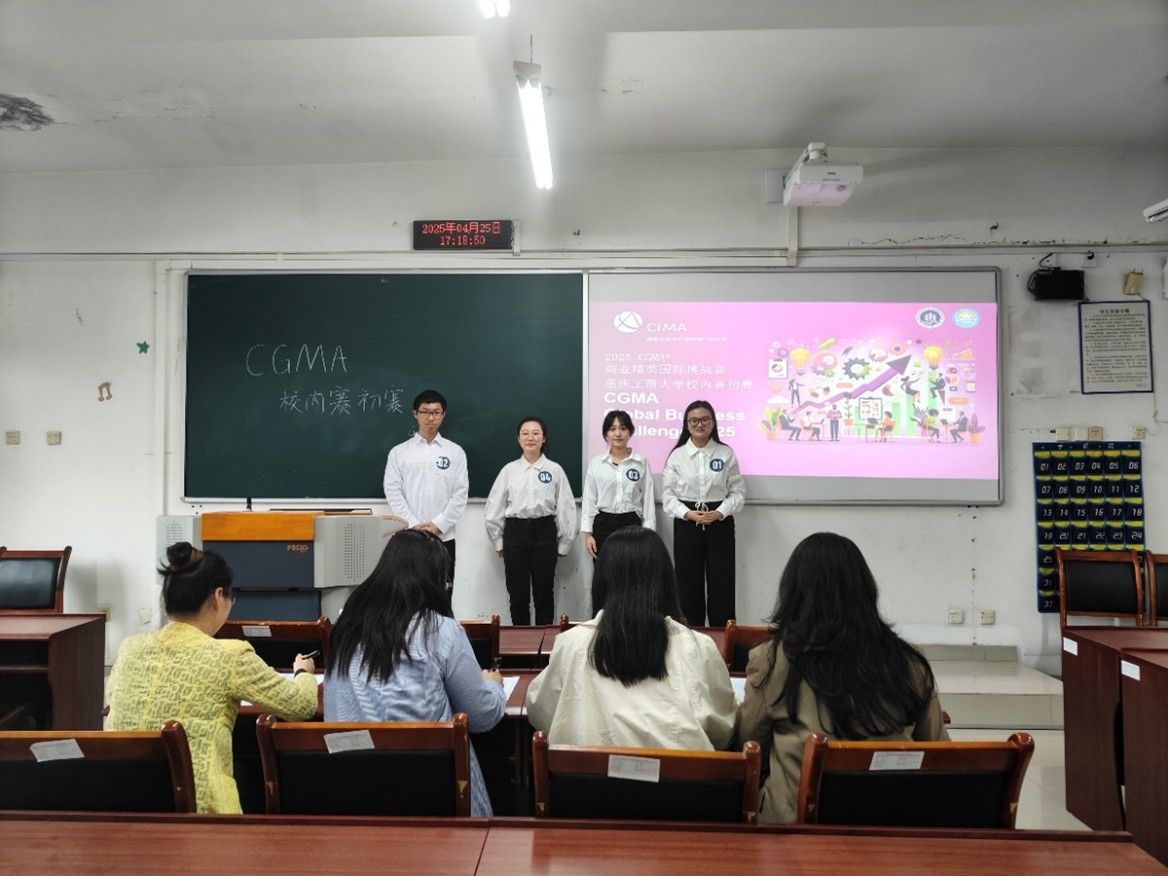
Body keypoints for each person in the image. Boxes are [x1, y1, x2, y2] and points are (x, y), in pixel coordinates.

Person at [736, 532, 948, 824]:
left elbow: (747, 747)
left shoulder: (772, 660)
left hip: (795, 829)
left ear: (793, 592)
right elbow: (939, 752)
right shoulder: (909, 662)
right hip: (892, 827)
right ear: (865, 590)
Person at [106, 543, 318, 814]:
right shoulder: (229, 655)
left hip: (127, 806)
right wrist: (303, 672)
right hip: (203, 813)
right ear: (218, 596)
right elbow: (301, 706)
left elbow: (113, 704)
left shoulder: (130, 648)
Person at [324, 529, 506, 817]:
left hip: (351, 789)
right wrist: (494, 686)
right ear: (433, 581)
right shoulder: (441, 631)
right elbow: (481, 715)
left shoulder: (345, 626)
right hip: (428, 791)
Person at [526, 528, 736, 749]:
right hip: (677, 772)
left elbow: (540, 711)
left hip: (585, 772)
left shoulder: (571, 644)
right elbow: (723, 730)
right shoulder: (697, 647)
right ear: (666, 581)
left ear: (601, 581)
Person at [484, 417, 577, 625]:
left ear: (544, 438)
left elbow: (566, 507)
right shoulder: (509, 470)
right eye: (525, 433)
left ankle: (544, 645)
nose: (530, 438)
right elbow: (494, 507)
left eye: (536, 433)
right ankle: (519, 646)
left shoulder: (555, 469)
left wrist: (565, 542)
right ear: (518, 439)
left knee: (544, 594)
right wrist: (498, 540)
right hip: (515, 533)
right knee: (518, 595)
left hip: (545, 531)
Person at [661, 400, 745, 627]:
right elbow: (668, 497)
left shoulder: (725, 453)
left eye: (705, 420)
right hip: (687, 524)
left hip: (720, 524)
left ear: (713, 423)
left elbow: (738, 494)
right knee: (687, 585)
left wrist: (719, 513)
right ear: (687, 424)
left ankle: (724, 642)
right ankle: (690, 639)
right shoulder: (677, 456)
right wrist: (688, 514)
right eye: (694, 421)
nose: (699, 424)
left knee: (722, 585)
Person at [383, 389, 469, 583]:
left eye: (436, 412)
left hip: (444, 537)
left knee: (443, 592)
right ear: (415, 414)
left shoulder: (455, 452)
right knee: (409, 591)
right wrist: (413, 525)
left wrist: (439, 525)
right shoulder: (399, 452)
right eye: (425, 412)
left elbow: (460, 493)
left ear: (443, 415)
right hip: (408, 538)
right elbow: (393, 491)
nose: (431, 417)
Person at [581, 409, 655, 563]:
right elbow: (589, 500)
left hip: (632, 523)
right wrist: (588, 534)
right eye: (612, 429)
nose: (618, 434)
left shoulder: (640, 463)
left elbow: (648, 500)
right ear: (606, 433)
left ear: (630, 432)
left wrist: (649, 533)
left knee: (632, 571)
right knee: (604, 572)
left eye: (623, 428)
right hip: (603, 524)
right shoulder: (596, 464)